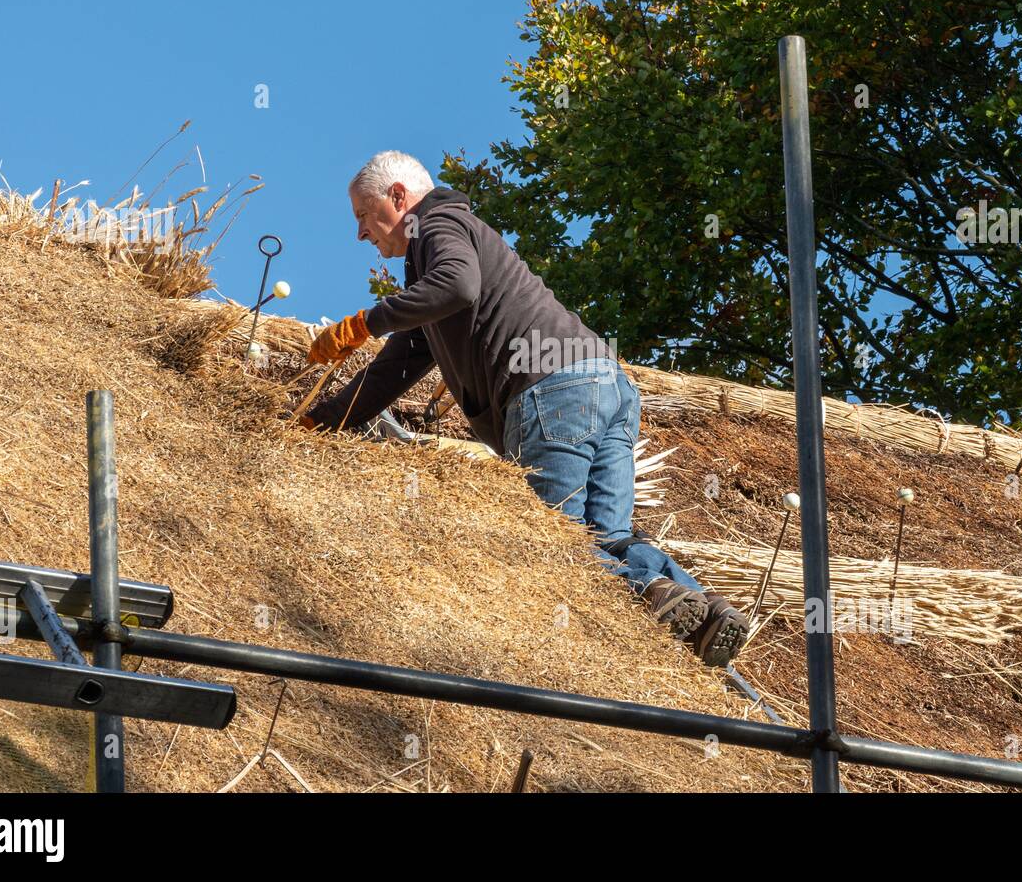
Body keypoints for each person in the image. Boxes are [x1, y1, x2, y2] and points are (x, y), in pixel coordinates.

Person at [302, 151, 748, 666]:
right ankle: (704, 609)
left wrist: (364, 322)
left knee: (551, 544)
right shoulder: (437, 270)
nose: (361, 233)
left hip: (553, 391)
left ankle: (654, 594)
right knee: (608, 536)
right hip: (606, 385)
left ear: (398, 196)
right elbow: (396, 368)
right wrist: (322, 420)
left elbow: (456, 284)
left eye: (362, 214)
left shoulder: (438, 224)